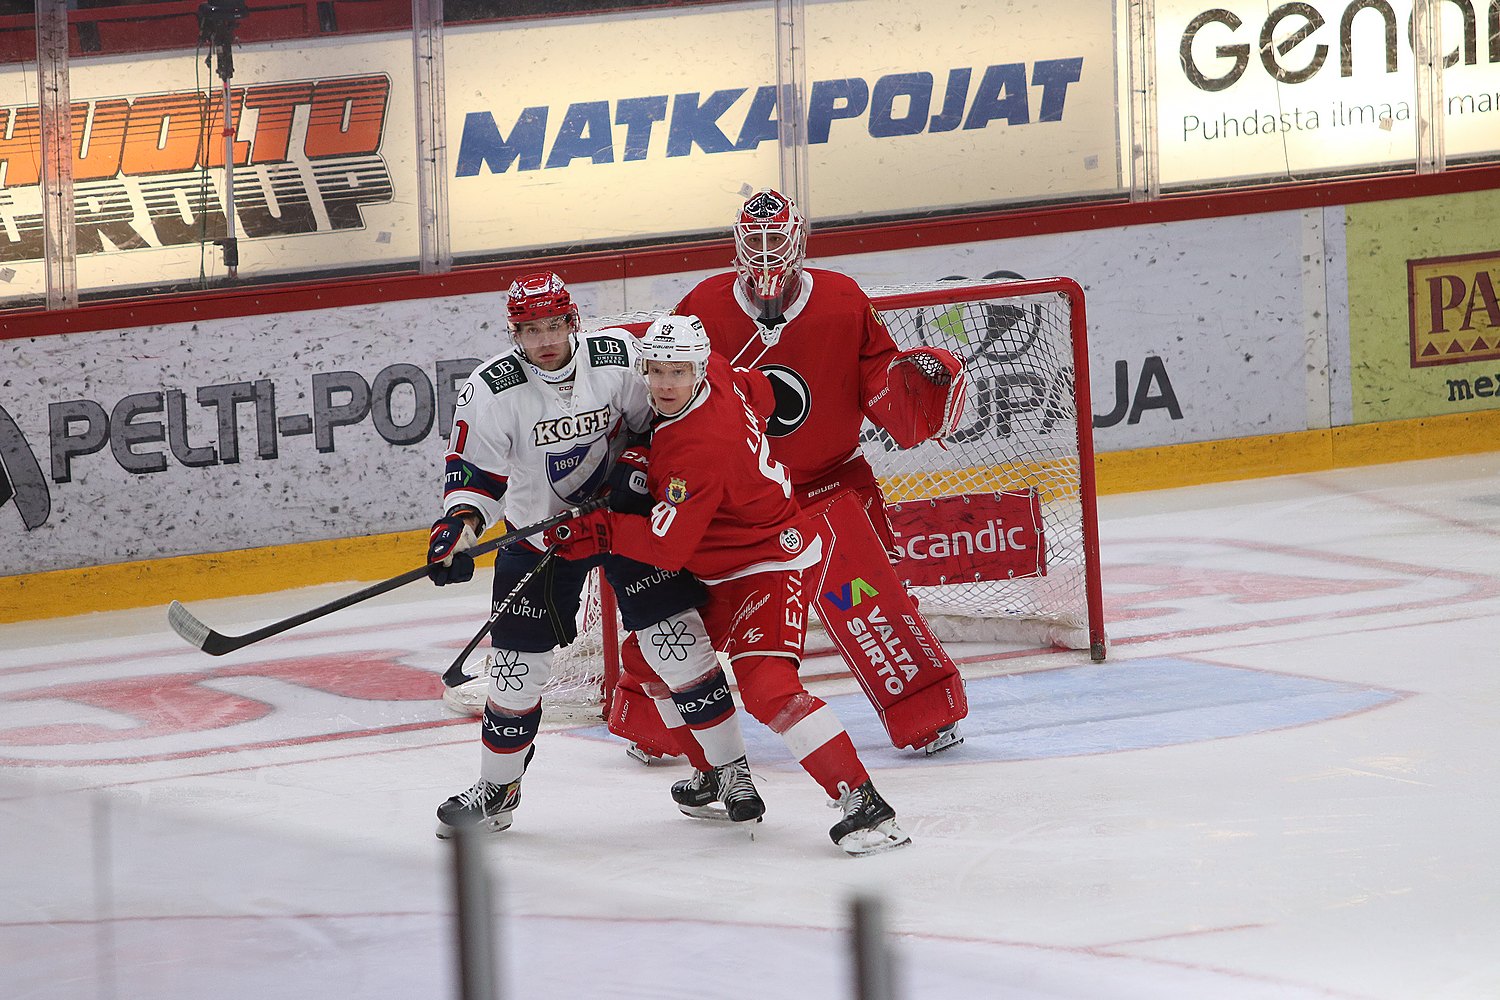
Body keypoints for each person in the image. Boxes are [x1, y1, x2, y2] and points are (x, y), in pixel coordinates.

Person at [614, 188, 970, 762]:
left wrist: (914, 383)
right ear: (735, 242)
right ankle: (650, 721)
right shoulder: (701, 307)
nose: (763, 252)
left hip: (830, 483)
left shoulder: (841, 300)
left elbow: (880, 384)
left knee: (870, 600)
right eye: (752, 239)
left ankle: (924, 709)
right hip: (740, 504)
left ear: (798, 241)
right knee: (692, 611)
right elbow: (663, 395)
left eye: (773, 239)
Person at [546, 315, 911, 857]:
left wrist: (602, 530)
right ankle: (715, 773)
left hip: (769, 564)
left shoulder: (698, 450)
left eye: (678, 372)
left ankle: (864, 804)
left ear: (696, 368)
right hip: (720, 567)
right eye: (656, 370)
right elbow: (761, 393)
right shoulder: (718, 371)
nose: (665, 385)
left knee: (768, 689)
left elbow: (667, 549)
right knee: (647, 664)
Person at [426, 272, 764, 838]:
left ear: (572, 321)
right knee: (513, 675)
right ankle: (498, 789)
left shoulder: (619, 357)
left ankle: (731, 773)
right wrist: (458, 527)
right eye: (530, 330)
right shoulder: (491, 388)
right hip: (542, 536)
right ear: (515, 333)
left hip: (626, 527)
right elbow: (476, 473)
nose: (544, 340)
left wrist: (635, 471)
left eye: (553, 324)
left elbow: (664, 420)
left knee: (677, 645)